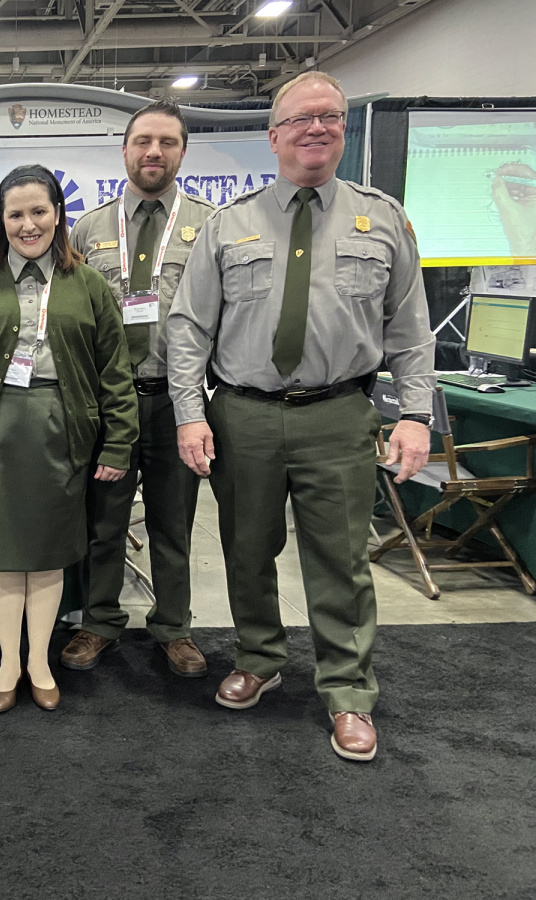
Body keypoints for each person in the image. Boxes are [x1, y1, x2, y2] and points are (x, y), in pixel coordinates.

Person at [166, 71, 436, 762]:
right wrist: (191, 415)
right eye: (302, 118)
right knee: (247, 550)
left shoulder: (383, 218)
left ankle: (348, 690)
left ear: (343, 130)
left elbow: (410, 330)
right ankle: (259, 658)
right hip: (244, 417)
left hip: (337, 415)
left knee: (340, 560)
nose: (317, 128)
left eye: (331, 117)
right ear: (274, 134)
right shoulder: (231, 224)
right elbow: (189, 328)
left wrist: (414, 415)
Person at [0, 164, 139, 713]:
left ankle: (40, 661)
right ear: (0, 220)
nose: (28, 224)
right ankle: (9, 664)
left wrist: (117, 444)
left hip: (63, 433)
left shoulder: (88, 284)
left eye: (38, 211)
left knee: (46, 557)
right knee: (0, 555)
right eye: (15, 213)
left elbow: (115, 371)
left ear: (58, 214)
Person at [65, 100, 216, 677]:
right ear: (124, 150)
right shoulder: (89, 228)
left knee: (171, 523)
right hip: (109, 405)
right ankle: (99, 621)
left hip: (178, 402)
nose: (154, 152)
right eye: (143, 141)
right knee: (102, 522)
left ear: (182, 151)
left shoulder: (208, 225)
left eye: (167, 142)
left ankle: (173, 626)